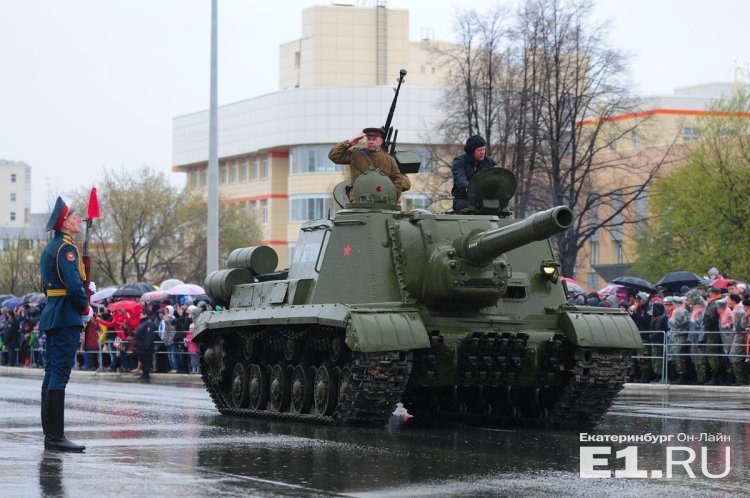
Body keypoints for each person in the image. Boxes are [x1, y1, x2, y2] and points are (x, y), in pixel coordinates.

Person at [38, 197, 92, 452]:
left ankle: (51, 435)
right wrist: (86, 307)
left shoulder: (51, 249)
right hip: (65, 316)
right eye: (73, 217)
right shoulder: (66, 250)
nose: (77, 220)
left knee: (51, 373)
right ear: (65, 224)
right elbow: (72, 287)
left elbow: (50, 286)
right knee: (59, 374)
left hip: (53, 314)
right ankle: (55, 437)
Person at [328, 127, 404, 202]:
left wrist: (392, 197)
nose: (371, 141)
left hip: (382, 201)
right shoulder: (356, 154)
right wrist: (349, 143)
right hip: (358, 200)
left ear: (381, 141)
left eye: (374, 139)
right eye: (368, 139)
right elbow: (333, 156)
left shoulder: (389, 159)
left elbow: (397, 179)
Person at [450, 134, 497, 212]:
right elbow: (460, 178)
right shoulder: (459, 162)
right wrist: (470, 188)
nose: (482, 152)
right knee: (465, 207)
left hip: (484, 199)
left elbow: (496, 176)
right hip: (463, 198)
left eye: (484, 149)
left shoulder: (489, 162)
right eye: (479, 150)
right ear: (471, 151)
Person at [133, 305, 156, 380]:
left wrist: (147, 346)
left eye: (141, 313)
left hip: (146, 347)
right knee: (143, 360)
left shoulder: (149, 323)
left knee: (146, 361)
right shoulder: (142, 322)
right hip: (140, 346)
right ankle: (144, 374)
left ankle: (146, 374)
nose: (140, 314)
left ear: (145, 314)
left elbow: (149, 335)